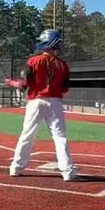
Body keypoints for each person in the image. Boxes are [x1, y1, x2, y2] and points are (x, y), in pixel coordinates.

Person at [9, 29, 78, 180]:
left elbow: (25, 84)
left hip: (36, 102)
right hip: (55, 103)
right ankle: (68, 172)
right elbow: (65, 88)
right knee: (60, 137)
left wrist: (13, 83)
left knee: (27, 135)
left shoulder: (33, 61)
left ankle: (16, 167)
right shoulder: (63, 65)